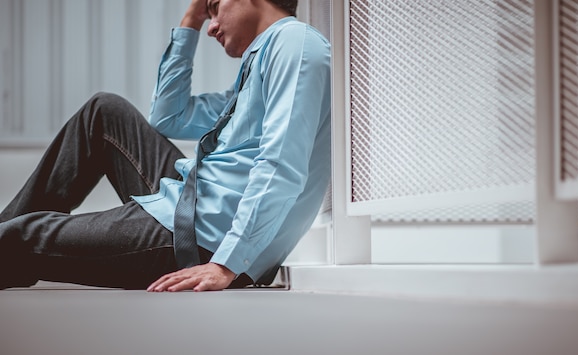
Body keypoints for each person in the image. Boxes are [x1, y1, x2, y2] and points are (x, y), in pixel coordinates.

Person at [0, 0, 331, 292]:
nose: (211, 26)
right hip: (192, 203)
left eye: (215, 7)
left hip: (206, 240)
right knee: (104, 111)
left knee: (20, 237)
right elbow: (169, 115)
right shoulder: (257, 65)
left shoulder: (294, 44)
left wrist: (226, 264)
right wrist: (192, 19)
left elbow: (281, 165)